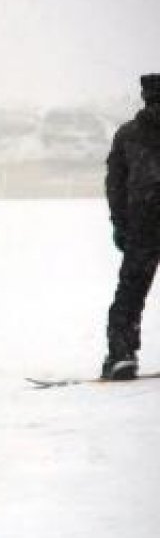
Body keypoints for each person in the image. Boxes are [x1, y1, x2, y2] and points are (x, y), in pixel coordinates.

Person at [103, 72, 160, 381]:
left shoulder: (128, 134)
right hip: (143, 222)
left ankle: (121, 354)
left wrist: (121, 224)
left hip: (143, 223)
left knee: (131, 291)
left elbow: (115, 184)